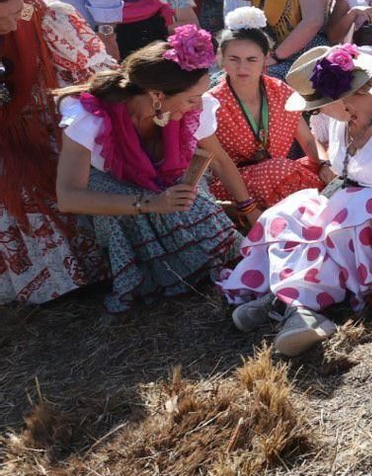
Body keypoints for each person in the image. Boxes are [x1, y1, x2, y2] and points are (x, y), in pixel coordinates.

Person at [222, 44, 372, 356]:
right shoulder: (338, 122)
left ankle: (290, 303)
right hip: (348, 209)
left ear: (343, 100)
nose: (316, 112)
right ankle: (292, 304)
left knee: (354, 211)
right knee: (291, 212)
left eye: (319, 105)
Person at [54, 27, 249, 311]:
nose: (198, 105)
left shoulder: (193, 107)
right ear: (157, 95)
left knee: (189, 204)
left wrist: (248, 207)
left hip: (163, 182)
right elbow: (68, 197)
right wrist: (149, 204)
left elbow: (217, 158)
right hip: (114, 188)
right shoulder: (88, 116)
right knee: (151, 213)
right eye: (191, 99)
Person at [0, 0, 118, 304]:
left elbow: (104, 76)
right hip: (9, 133)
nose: (10, 23)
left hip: (67, 123)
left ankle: (91, 267)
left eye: (14, 12)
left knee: (53, 165)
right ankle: (51, 281)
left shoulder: (50, 16)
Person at [208, 6, 323, 209]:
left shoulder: (279, 90)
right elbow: (219, 165)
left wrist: (324, 166)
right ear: (221, 59)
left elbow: (307, 140)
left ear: (264, 58)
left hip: (279, 174)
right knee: (280, 170)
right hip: (235, 184)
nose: (242, 68)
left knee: (331, 163)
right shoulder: (211, 103)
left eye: (251, 59)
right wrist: (248, 208)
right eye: (234, 59)